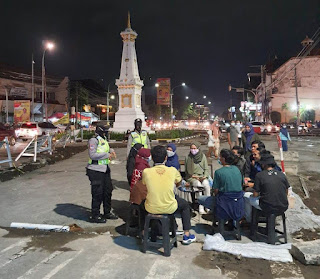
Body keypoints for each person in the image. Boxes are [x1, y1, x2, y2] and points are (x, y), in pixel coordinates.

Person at [142, 145, 196, 245]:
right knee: (185, 205)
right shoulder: (172, 170)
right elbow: (179, 183)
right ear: (166, 157)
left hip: (151, 207)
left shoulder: (146, 172)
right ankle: (187, 234)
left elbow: (144, 184)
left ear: (152, 158)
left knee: (142, 204)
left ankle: (144, 232)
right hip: (169, 207)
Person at [198, 149, 244, 222]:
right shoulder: (237, 169)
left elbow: (215, 190)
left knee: (200, 199)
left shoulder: (218, 172)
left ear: (223, 159)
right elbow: (242, 183)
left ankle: (218, 217)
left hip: (223, 203)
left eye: (220, 157)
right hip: (237, 202)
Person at [244, 153, 290, 222]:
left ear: (263, 164)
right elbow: (286, 191)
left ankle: (249, 221)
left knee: (245, 196)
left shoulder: (260, 175)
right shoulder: (282, 175)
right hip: (283, 206)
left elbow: (255, 194)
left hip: (267, 206)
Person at [86, 126, 118, 223]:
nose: (106, 133)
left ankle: (107, 212)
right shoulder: (93, 140)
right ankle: (95, 215)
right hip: (96, 170)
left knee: (108, 191)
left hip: (105, 169)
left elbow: (106, 148)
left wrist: (111, 151)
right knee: (97, 193)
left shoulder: (103, 139)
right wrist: (107, 155)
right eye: (105, 132)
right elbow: (92, 155)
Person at [185, 142, 210, 214]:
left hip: (202, 176)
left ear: (198, 148)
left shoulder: (203, 156)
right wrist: (195, 177)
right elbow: (187, 172)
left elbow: (206, 168)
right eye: (191, 148)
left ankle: (208, 205)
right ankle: (201, 206)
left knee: (206, 185)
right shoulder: (188, 157)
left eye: (194, 148)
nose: (193, 150)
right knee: (198, 185)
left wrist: (204, 176)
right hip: (192, 177)